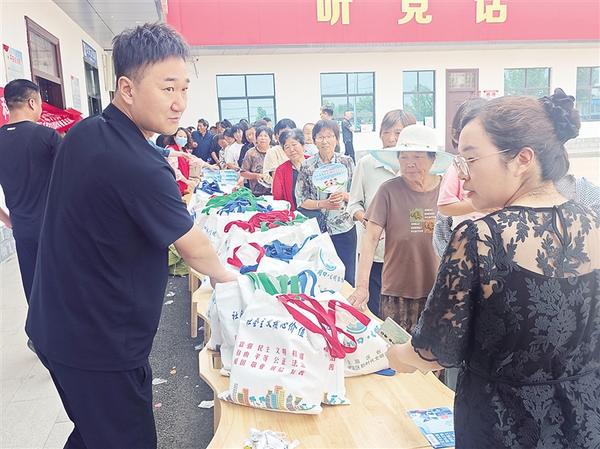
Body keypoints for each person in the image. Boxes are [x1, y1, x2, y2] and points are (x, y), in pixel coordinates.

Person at [25, 23, 236, 449]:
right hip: (98, 344)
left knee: (92, 434)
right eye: (167, 88)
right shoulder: (137, 162)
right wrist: (237, 282)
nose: (179, 103)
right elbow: (194, 248)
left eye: (184, 89)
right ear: (127, 88)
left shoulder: (86, 132)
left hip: (58, 326)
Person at [387, 89, 600, 449]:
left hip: (502, 426)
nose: (462, 176)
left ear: (522, 159)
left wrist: (394, 354)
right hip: (582, 421)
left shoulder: (480, 237)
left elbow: (434, 350)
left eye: (470, 159)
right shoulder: (593, 222)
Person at [348, 124, 453, 331]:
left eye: (417, 157)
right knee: (396, 346)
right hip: (396, 291)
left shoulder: (446, 190)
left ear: (433, 159)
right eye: (404, 157)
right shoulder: (388, 190)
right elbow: (370, 238)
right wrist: (361, 287)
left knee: (433, 349)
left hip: (439, 290)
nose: (409, 163)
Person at [0, 79, 61, 351]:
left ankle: (39, 336)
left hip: (22, 228)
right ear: (32, 102)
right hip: (53, 226)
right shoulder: (47, 137)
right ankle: (63, 337)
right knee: (60, 280)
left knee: (32, 283)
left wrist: (9, 221)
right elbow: (72, 177)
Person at [347, 109, 416, 316]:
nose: (392, 138)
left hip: (408, 257)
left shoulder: (417, 167)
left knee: (407, 313)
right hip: (376, 256)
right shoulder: (367, 164)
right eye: (387, 132)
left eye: (399, 133)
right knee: (379, 312)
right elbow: (354, 205)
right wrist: (369, 222)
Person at [295, 119, 356, 286]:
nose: (325, 141)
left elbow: (358, 195)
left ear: (336, 139)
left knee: (347, 275)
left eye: (329, 136)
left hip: (344, 228)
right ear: (314, 140)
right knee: (322, 276)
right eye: (321, 137)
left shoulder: (347, 162)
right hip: (318, 230)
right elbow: (301, 200)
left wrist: (344, 195)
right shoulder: (307, 165)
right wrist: (323, 204)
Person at [272, 128, 308, 211]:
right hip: (294, 215)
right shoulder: (281, 170)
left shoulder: (315, 163)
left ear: (303, 145)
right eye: (287, 147)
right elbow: (278, 198)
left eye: (294, 145)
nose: (291, 150)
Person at [239, 125, 272, 196]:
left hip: (274, 191)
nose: (263, 138)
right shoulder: (251, 153)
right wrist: (256, 176)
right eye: (260, 136)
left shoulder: (275, 152)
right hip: (256, 193)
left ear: (270, 139)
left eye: (265, 136)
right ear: (256, 138)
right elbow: (243, 172)